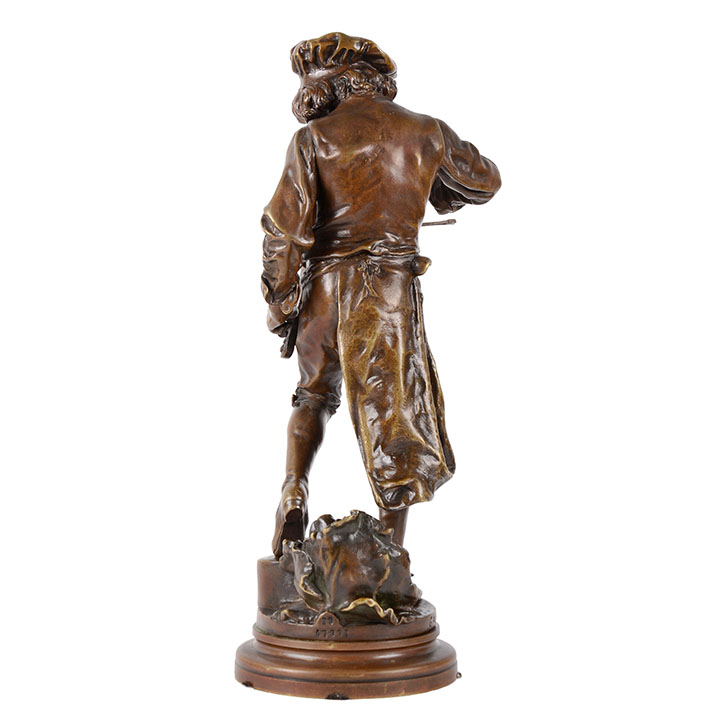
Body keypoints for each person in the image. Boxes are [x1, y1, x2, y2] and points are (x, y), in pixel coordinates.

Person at [261, 33, 501, 557]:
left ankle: (294, 488)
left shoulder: (312, 139)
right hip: (385, 295)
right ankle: (390, 553)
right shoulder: (425, 131)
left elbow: (284, 231)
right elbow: (485, 181)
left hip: (323, 293)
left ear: (338, 85)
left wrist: (280, 301)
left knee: (312, 395)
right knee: (394, 418)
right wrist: (429, 179)